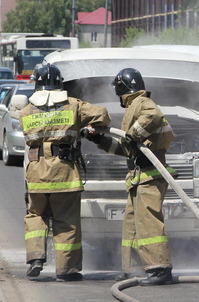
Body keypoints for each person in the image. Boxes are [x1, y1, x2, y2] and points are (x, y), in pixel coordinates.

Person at [21, 64, 111, 282]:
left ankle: (36, 258)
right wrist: (84, 129)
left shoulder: (27, 110)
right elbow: (103, 116)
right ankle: (66, 270)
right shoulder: (73, 105)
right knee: (66, 222)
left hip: (36, 173)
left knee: (36, 216)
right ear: (60, 84)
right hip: (64, 173)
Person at [91, 68, 176, 286]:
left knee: (148, 223)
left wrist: (134, 133)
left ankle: (160, 269)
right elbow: (125, 148)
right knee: (132, 223)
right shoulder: (133, 106)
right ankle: (133, 269)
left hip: (150, 172)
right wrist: (98, 140)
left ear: (123, 87)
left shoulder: (140, 102)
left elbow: (153, 116)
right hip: (139, 175)